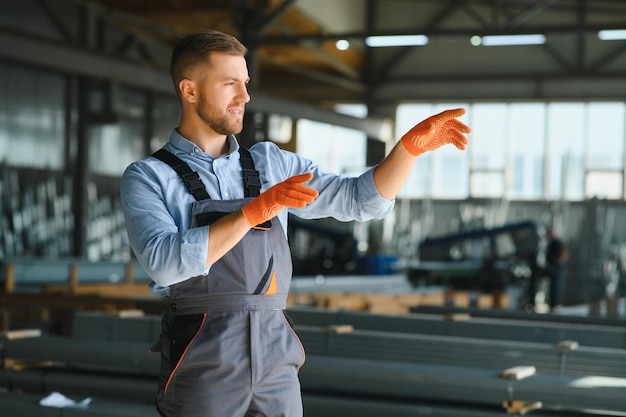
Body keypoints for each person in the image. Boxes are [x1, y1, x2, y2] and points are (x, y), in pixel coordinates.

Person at [120, 29, 470, 417]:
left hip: (275, 350)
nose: (245, 97)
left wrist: (407, 151)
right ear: (189, 90)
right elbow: (164, 263)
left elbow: (358, 200)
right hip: (203, 353)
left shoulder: (273, 165)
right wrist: (252, 213)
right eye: (229, 83)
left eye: (246, 83)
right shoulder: (149, 176)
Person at [544, 227, 568, 310]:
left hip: (556, 268)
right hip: (552, 267)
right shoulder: (551, 244)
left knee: (555, 287)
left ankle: (554, 304)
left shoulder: (557, 243)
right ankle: (551, 303)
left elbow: (564, 253)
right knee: (552, 287)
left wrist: (558, 263)